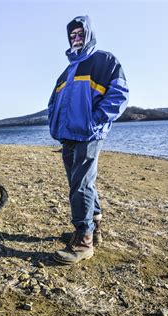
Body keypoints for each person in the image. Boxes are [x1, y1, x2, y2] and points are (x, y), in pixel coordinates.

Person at [47, 15, 129, 264]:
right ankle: (94, 228)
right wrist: (55, 126)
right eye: (72, 35)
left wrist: (96, 121)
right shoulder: (67, 71)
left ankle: (84, 241)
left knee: (80, 185)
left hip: (89, 135)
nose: (75, 38)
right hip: (68, 136)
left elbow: (120, 94)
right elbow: (53, 103)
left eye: (80, 34)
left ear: (89, 34)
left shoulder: (104, 60)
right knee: (81, 184)